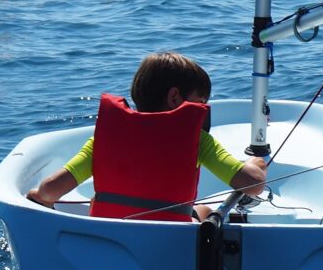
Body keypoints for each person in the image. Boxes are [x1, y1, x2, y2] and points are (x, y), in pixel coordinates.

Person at [26, 52, 267, 222]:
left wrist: (39, 198)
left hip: (108, 243)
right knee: (203, 211)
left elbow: (49, 191)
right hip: (166, 247)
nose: (203, 111)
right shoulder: (196, 141)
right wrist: (255, 164)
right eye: (200, 102)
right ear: (175, 97)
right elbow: (254, 185)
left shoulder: (104, 141)